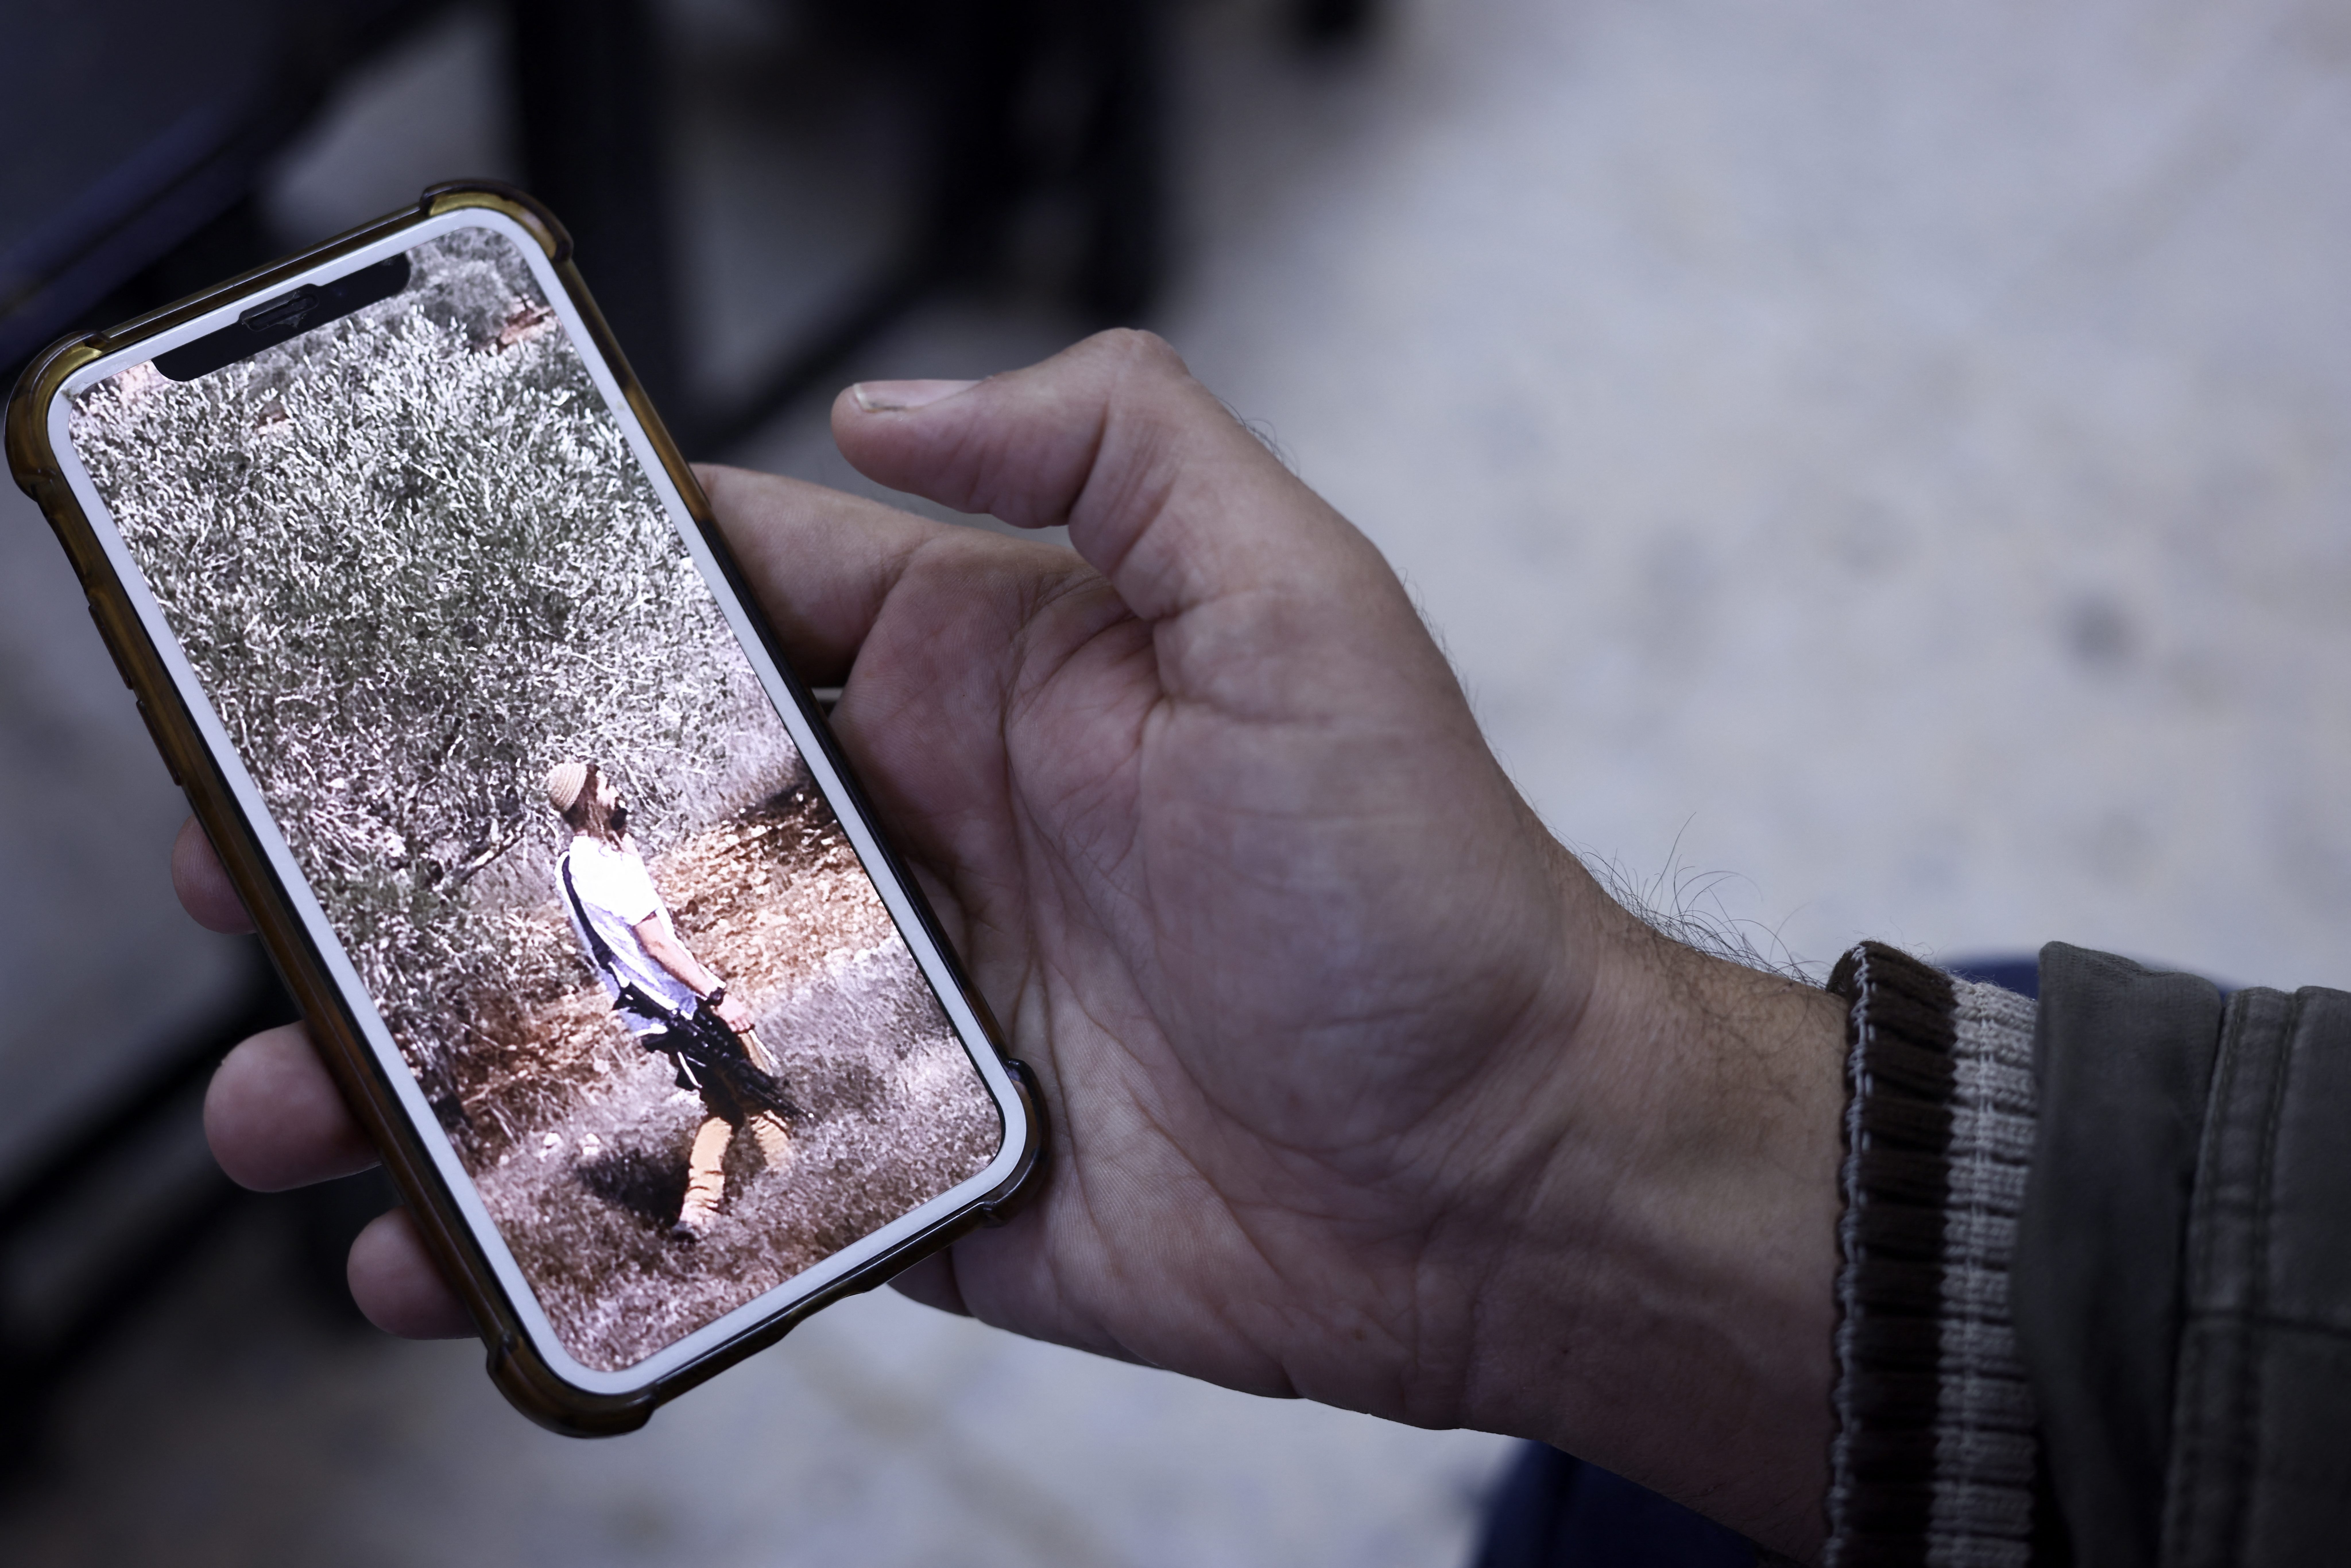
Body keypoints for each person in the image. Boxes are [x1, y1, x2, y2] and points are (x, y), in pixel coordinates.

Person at [183, 332, 2349, 1563]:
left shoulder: (599, 858)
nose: (586, 796)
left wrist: (1540, 1158)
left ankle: (685, 1199)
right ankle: (683, 1197)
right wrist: (1549, 1146)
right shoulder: (599, 872)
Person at [543, 758, 794, 1239]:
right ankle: (798, 1187)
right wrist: (717, 995)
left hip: (650, 1018)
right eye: (608, 786)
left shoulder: (569, 867)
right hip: (684, 1008)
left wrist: (621, 831)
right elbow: (656, 943)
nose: (618, 790)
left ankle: (697, 1213)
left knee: (722, 1105)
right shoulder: (608, 865)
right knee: (761, 1097)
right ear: (589, 800)